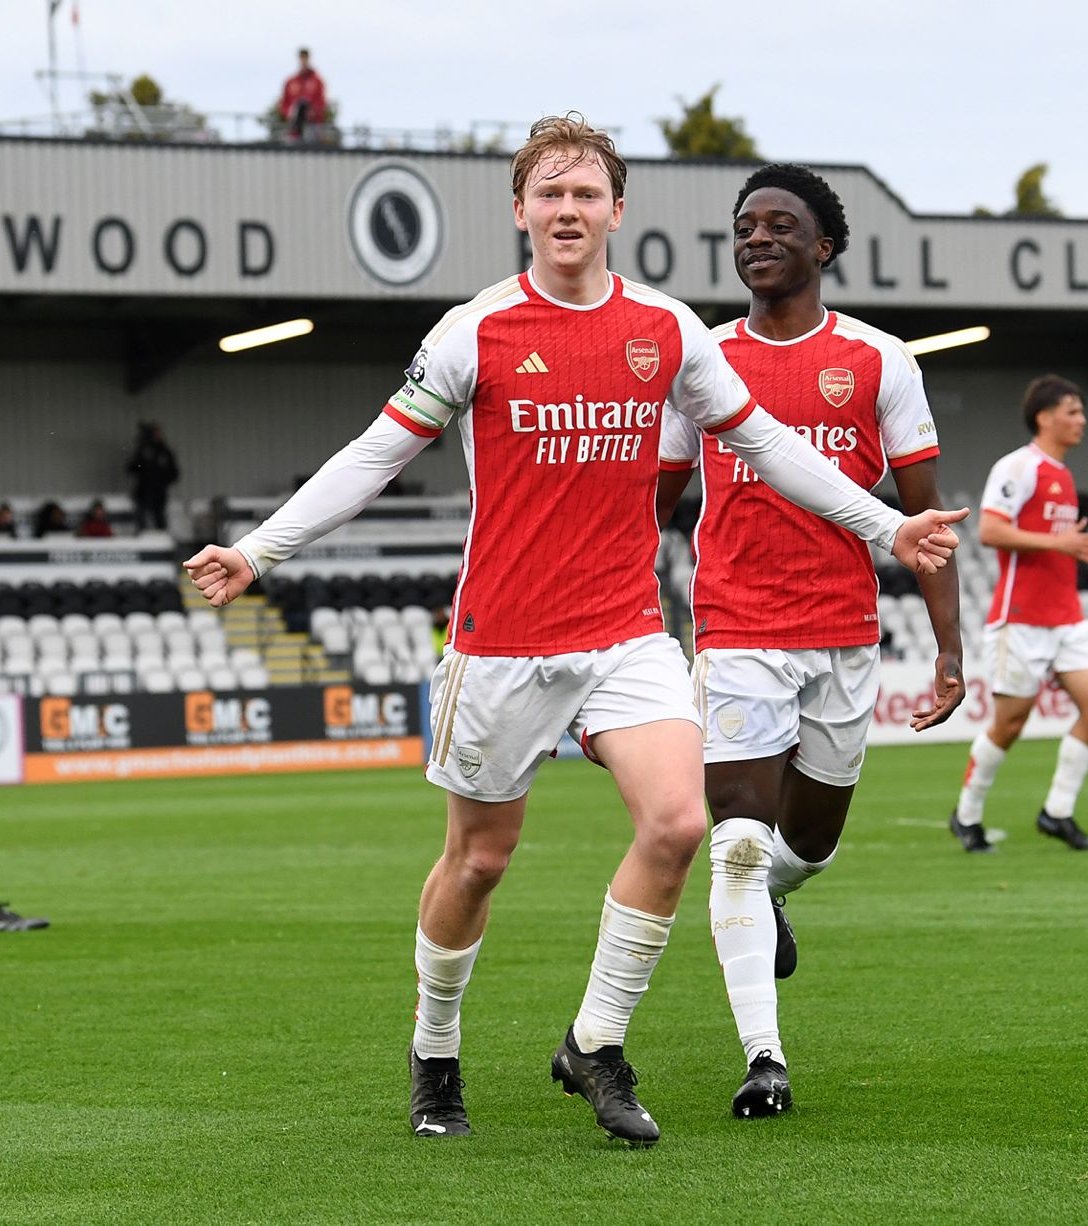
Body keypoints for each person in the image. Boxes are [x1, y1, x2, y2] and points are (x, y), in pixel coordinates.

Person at [183, 114, 966, 1147]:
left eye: (585, 193)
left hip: (625, 632)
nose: (566, 210)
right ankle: (434, 1048)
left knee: (681, 822)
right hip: (501, 640)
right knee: (479, 859)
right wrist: (260, 549)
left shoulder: (667, 331)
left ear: (615, 212)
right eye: (548, 193)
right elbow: (375, 455)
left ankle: (592, 1042)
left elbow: (768, 445)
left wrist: (886, 525)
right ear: (520, 212)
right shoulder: (474, 331)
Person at [654, 163, 964, 1119]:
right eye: (745, 226)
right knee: (737, 840)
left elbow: (927, 522)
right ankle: (764, 1058)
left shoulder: (880, 361)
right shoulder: (697, 360)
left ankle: (778, 895)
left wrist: (951, 652)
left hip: (843, 634)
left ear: (823, 245)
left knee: (810, 843)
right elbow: (652, 507)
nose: (757, 238)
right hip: (739, 625)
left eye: (780, 225)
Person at [949, 374, 1088, 854]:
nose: (1081, 419)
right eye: (1072, 411)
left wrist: (1081, 552)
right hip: (1020, 618)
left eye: (1081, 411)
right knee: (1010, 723)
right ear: (1044, 417)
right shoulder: (1019, 467)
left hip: (1066, 617)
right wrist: (1060, 543)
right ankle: (966, 814)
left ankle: (1058, 812)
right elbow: (990, 530)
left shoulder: (1063, 475)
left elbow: (1053, 544)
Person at [126, 422, 180, 532]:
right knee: (142, 517)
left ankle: (162, 537)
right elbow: (132, 468)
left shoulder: (165, 452)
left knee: (159, 516)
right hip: (143, 491)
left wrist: (163, 481)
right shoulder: (143, 451)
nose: (158, 435)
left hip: (159, 491)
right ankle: (142, 536)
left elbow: (174, 472)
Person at [279, 48, 327, 141]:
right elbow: (284, 103)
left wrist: (313, 112)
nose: (303, 60)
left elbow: (321, 102)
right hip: (294, 126)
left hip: (312, 124)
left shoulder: (317, 81)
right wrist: (289, 113)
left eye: (305, 57)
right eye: (302, 57)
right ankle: (295, 132)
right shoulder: (291, 81)